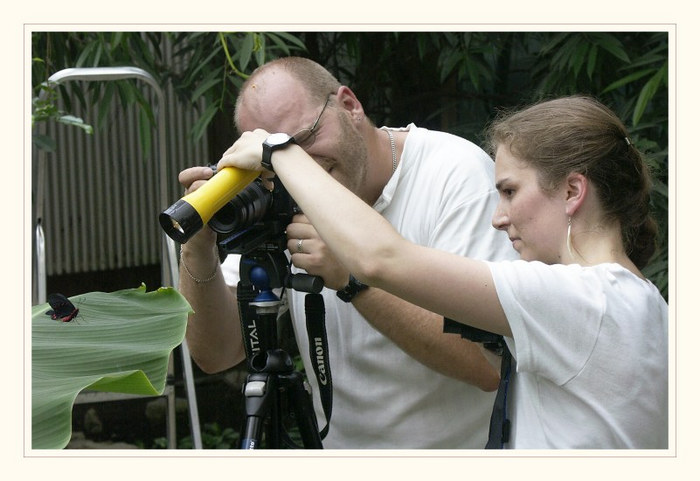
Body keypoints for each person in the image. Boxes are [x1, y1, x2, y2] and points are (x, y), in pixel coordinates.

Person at [217, 95, 669, 449]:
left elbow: (381, 259)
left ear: (573, 190)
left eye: (510, 191)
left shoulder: (578, 298)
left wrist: (279, 151)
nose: (498, 217)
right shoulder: (640, 303)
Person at [177, 57, 517, 448]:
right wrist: (198, 248)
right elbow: (216, 354)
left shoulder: (454, 174)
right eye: (274, 156)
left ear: (350, 105)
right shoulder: (278, 192)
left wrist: (352, 280)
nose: (298, 166)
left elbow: (487, 365)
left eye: (300, 141)